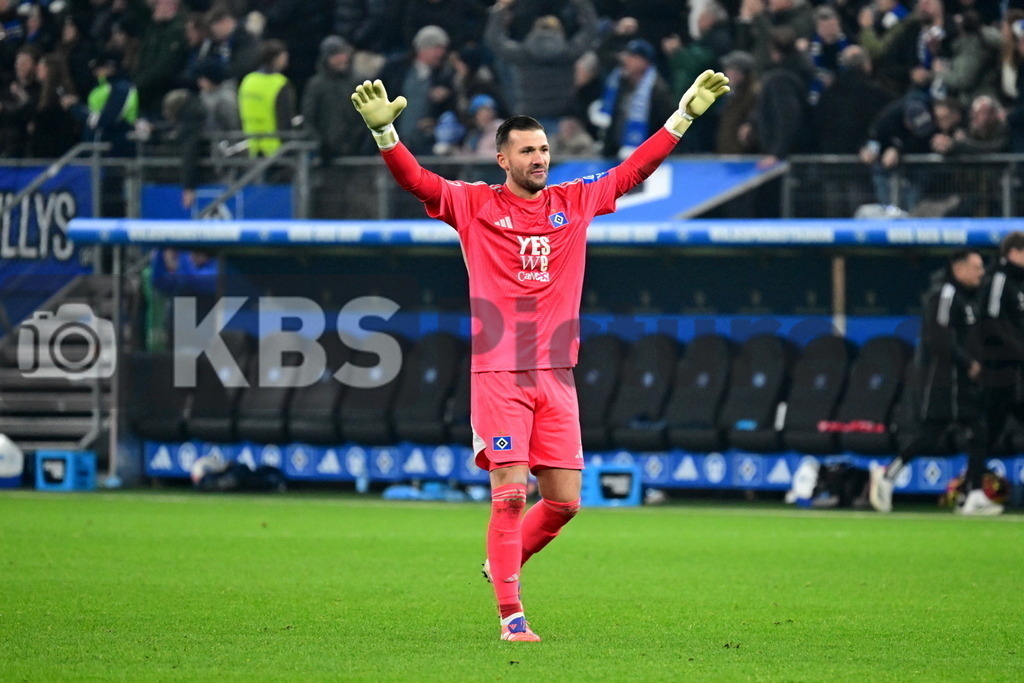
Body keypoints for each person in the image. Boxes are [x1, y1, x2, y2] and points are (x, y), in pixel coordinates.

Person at [351, 70, 729, 641]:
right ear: (501, 158)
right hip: (499, 371)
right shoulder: (474, 205)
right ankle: (511, 616)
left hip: (556, 372)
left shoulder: (572, 202)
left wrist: (684, 115)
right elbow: (420, 184)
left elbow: (634, 171)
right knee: (509, 496)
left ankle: (499, 566)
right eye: (527, 150)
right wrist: (386, 136)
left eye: (545, 149)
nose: (540, 158)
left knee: (564, 504)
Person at [868, 249, 985, 513]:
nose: (981, 272)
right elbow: (939, 336)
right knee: (939, 433)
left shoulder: (967, 299)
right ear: (959, 268)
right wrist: (968, 363)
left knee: (974, 430)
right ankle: (888, 475)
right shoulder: (945, 294)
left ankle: (975, 493)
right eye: (976, 267)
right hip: (943, 381)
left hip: (960, 381)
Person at [967, 231, 1024, 515]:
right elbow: (991, 322)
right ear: (1014, 253)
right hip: (999, 370)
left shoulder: (1017, 282)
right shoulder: (1000, 279)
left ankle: (973, 489)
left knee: (991, 430)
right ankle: (973, 491)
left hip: (1014, 370)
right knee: (987, 430)